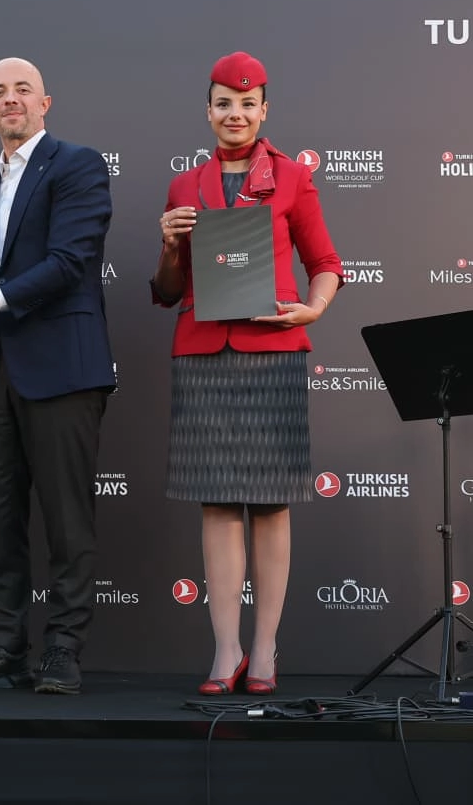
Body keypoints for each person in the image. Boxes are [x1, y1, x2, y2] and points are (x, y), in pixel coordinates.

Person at [149, 51, 342, 696]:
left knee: (271, 503)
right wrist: (169, 245)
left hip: (272, 351)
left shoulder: (292, 177)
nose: (236, 113)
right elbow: (167, 289)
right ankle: (225, 648)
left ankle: (264, 649)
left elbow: (325, 262)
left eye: (247, 103)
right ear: (208, 111)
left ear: (264, 110)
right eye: (224, 103)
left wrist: (313, 308)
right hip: (204, 352)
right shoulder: (184, 186)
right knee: (218, 501)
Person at [0, 58, 115, 695]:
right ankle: (5, 646)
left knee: (67, 519)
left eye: (22, 90)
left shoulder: (78, 165)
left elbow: (69, 262)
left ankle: (63, 649)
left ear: (44, 103)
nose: (11, 99)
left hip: (63, 369)